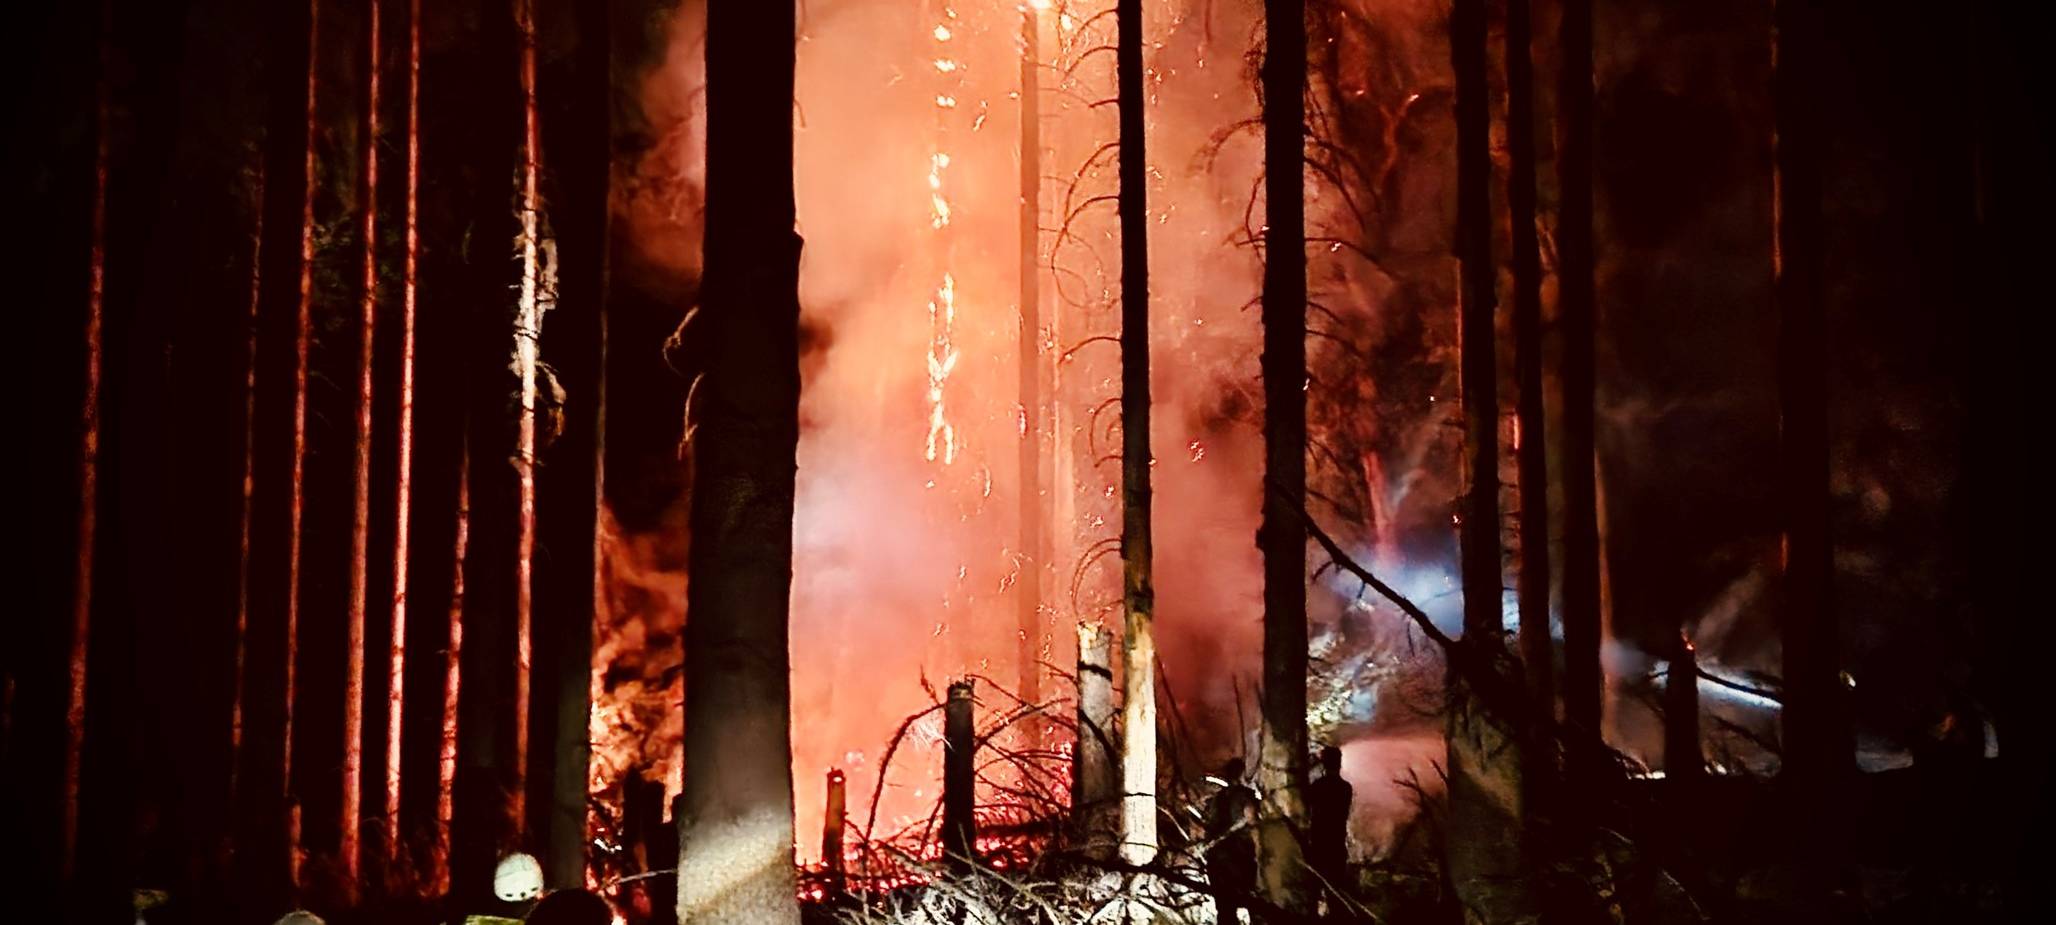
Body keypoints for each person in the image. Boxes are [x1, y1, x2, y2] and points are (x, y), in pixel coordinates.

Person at [1204, 758, 1260, 925]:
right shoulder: (1246, 796)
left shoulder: (1217, 799)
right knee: (1255, 906)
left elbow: (1210, 829)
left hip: (1218, 861)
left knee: (1225, 911)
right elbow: (1253, 823)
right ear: (1241, 773)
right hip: (1240, 858)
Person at [1305, 744, 1354, 895]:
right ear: (1339, 764)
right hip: (1337, 844)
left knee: (1314, 889)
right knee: (1336, 891)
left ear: (1324, 764)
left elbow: (1305, 801)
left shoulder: (1318, 786)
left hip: (1319, 844)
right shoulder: (1346, 788)